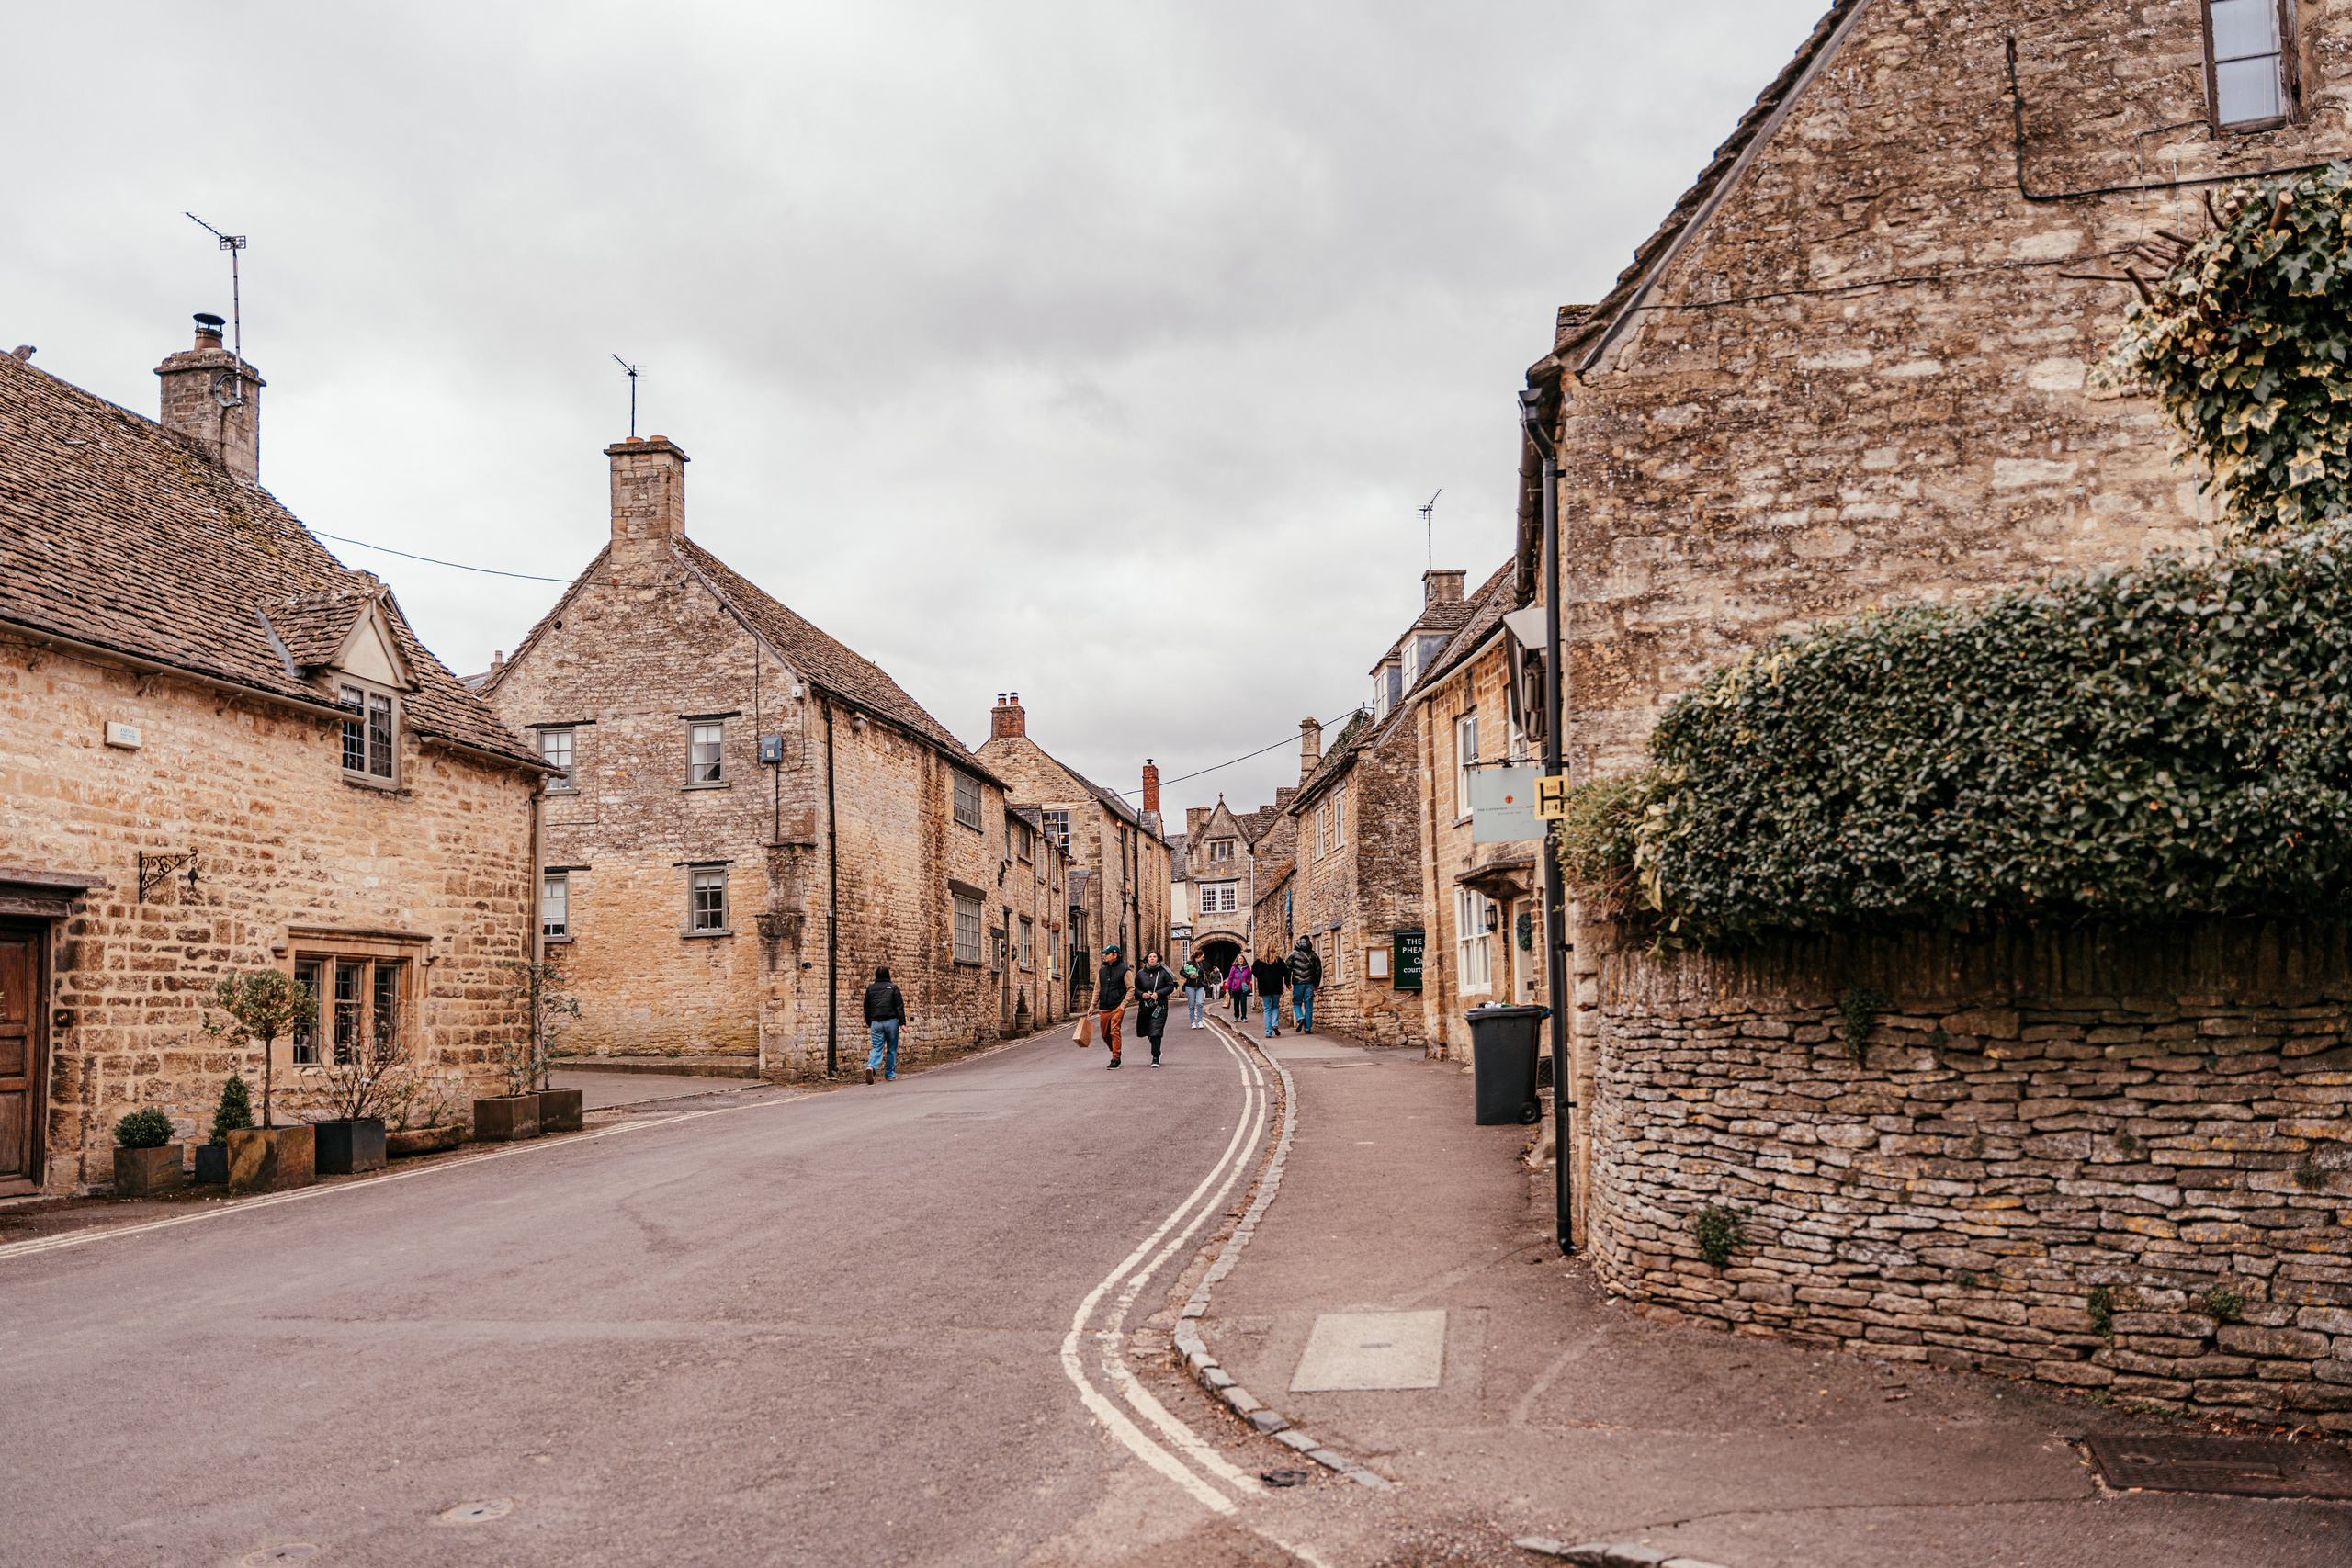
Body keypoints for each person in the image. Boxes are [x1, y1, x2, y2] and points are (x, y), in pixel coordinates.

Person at [1134, 951, 1179, 1066]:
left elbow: (1170, 987)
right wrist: (1142, 994)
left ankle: (1155, 1057)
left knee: (1156, 1031)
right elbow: (1135, 988)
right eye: (1150, 957)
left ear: (1158, 959)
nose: (1152, 958)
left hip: (1160, 1007)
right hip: (1145, 1007)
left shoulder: (1164, 972)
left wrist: (1158, 994)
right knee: (1148, 1031)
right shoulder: (1140, 973)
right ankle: (1157, 1050)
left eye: (1154, 957)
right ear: (1147, 959)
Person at [863, 964, 907, 1082]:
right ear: (888, 975)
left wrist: (869, 1023)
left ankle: (871, 1066)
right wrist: (902, 1023)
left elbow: (866, 1008)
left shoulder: (870, 989)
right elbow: (899, 1007)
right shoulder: (893, 988)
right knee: (891, 1048)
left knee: (876, 1048)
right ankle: (890, 1074)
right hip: (891, 1021)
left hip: (876, 1022)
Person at [1094, 942, 1131, 1068]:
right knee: (1105, 1034)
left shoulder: (1124, 970)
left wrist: (1123, 1005)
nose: (1104, 956)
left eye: (1107, 954)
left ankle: (1115, 1057)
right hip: (1104, 1007)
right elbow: (1097, 989)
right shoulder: (1102, 970)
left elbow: (1131, 988)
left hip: (1117, 1006)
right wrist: (1092, 1006)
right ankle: (1115, 1049)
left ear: (1115, 955)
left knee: (1114, 1031)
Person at [1287, 936, 1323, 1034]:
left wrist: (1287, 982)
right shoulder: (1313, 955)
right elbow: (1318, 970)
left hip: (1298, 983)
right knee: (1308, 1006)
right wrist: (1316, 984)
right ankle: (1307, 1028)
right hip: (1309, 983)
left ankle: (1300, 1018)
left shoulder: (1293, 954)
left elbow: (1288, 969)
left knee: (1296, 1003)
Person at [1252, 951, 1286, 1038]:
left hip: (1264, 987)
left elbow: (1254, 971)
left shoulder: (1259, 962)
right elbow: (1285, 971)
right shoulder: (1278, 960)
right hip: (1276, 987)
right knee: (1275, 1006)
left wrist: (1260, 977)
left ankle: (1268, 1032)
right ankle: (1275, 1024)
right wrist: (1287, 982)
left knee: (1267, 1009)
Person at [1181, 956, 1207, 1031]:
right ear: (1198, 956)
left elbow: (1202, 976)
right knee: (1191, 1005)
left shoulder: (1201, 964)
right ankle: (1192, 1022)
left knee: (1200, 1003)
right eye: (1202, 957)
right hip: (1190, 986)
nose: (1203, 958)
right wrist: (1189, 976)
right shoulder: (1188, 963)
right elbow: (1181, 972)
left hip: (1200, 986)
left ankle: (1200, 1021)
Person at [1224, 956, 1250, 1021]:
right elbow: (1230, 978)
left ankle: (1244, 1017)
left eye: (1242, 959)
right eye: (1240, 959)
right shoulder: (1234, 968)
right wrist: (1228, 987)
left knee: (1243, 1002)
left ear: (1244, 960)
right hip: (1235, 988)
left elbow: (1249, 976)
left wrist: (1247, 982)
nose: (1241, 960)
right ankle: (1236, 1016)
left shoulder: (1247, 968)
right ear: (1237, 960)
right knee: (1236, 1003)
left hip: (1243, 988)